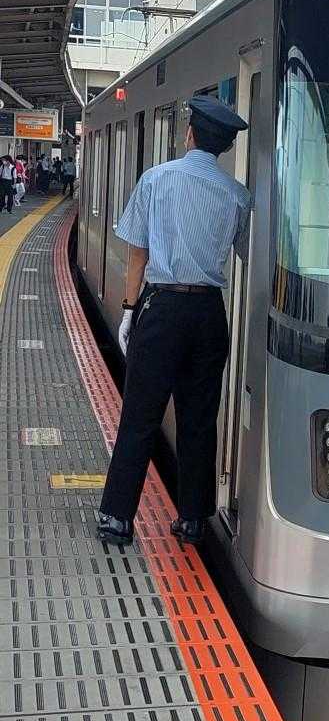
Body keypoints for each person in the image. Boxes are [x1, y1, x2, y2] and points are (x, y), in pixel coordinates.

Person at [96, 94, 251, 550]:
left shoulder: (156, 179)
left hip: (162, 309)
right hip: (208, 314)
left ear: (189, 134)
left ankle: (117, 518)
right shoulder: (237, 195)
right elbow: (242, 252)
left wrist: (129, 309)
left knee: (141, 414)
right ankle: (192, 519)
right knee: (199, 418)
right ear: (224, 146)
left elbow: (137, 255)